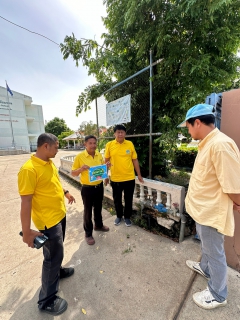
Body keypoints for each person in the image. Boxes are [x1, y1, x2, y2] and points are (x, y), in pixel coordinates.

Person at [178, 103, 240, 310]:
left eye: (187, 126)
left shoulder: (220, 145)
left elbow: (233, 184)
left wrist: (238, 202)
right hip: (204, 210)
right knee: (207, 247)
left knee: (214, 251)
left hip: (211, 212)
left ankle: (217, 293)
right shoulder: (209, 143)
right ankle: (205, 268)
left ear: (197, 122)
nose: (187, 130)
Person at [18, 133, 76, 316]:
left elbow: (54, 183)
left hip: (59, 214)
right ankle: (47, 300)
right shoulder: (29, 169)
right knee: (51, 258)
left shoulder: (49, 163)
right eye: (56, 146)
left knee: (57, 254)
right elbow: (25, 202)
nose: (58, 149)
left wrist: (66, 192)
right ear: (45, 146)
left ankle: (57, 272)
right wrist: (26, 232)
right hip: (48, 222)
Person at [71, 135, 109, 245]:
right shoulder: (80, 157)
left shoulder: (98, 155)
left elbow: (101, 170)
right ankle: (88, 233)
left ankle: (99, 225)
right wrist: (81, 169)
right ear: (85, 144)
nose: (93, 145)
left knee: (98, 208)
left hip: (99, 187)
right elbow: (73, 173)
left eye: (94, 143)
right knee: (87, 211)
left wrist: (107, 170)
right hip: (87, 188)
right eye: (90, 143)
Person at [104, 124, 144, 227]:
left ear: (125, 133)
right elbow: (106, 161)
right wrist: (105, 176)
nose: (120, 134)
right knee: (117, 199)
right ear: (114, 133)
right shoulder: (109, 145)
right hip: (116, 178)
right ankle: (118, 216)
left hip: (129, 177)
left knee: (128, 199)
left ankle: (127, 217)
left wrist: (139, 174)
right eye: (118, 132)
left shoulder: (130, 144)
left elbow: (134, 160)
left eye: (122, 132)